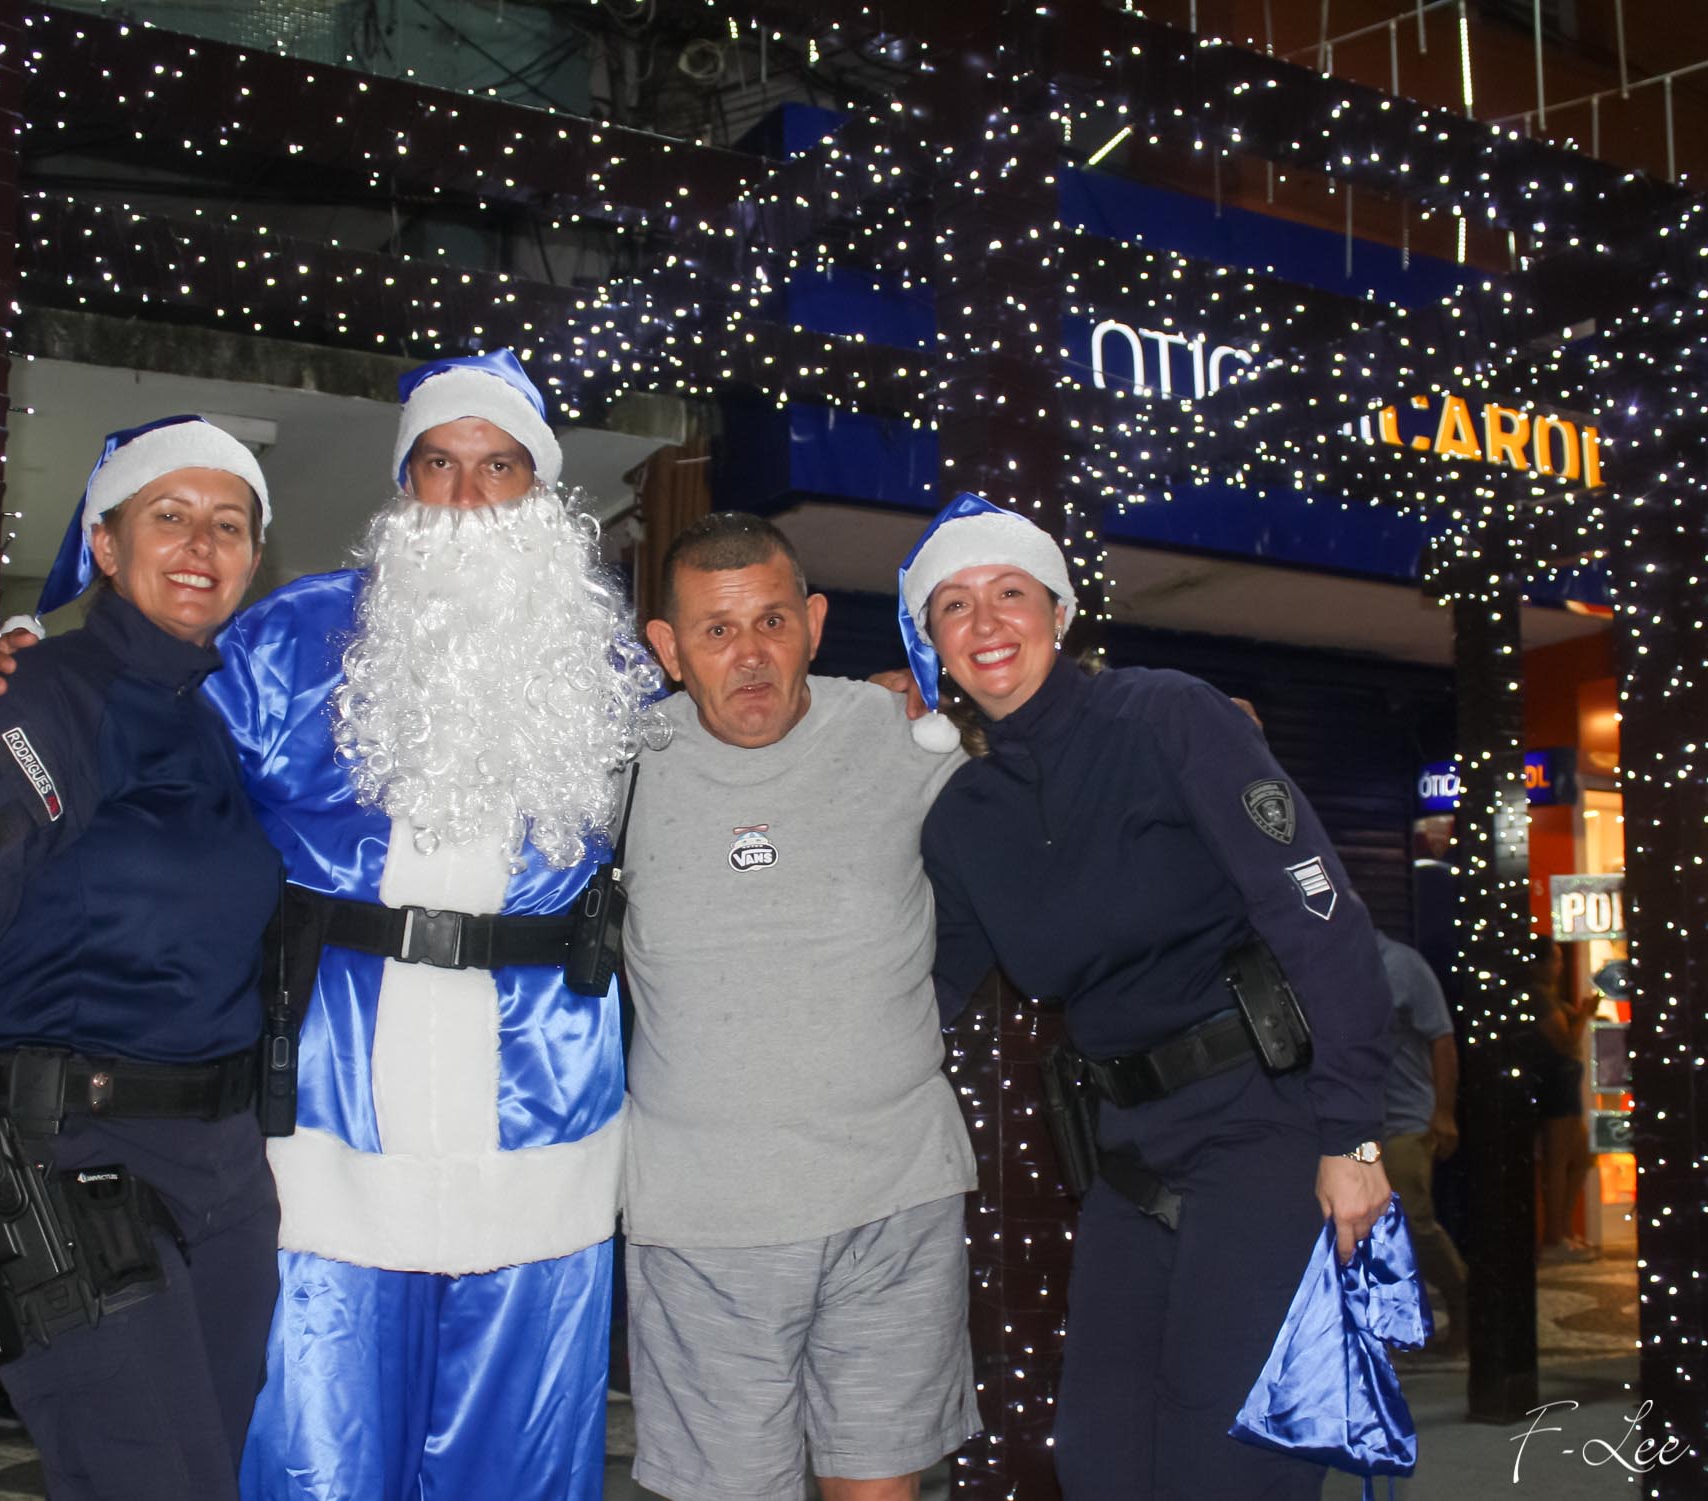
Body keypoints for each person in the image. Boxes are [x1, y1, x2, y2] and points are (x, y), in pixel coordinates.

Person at [0, 350, 661, 1501]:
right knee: (319, 1452)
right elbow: (125, 747)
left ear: (541, 488)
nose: (467, 494)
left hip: (545, 1118)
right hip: (333, 1113)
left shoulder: (613, 661)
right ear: (403, 482)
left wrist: (901, 711)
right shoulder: (285, 640)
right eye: (438, 464)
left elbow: (748, 752)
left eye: (498, 466)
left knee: (521, 1459)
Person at [898, 492, 1393, 1501]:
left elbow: (1318, 912)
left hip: (1260, 1119)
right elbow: (926, 992)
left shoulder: (1168, 716)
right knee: (1099, 1458)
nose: (985, 622)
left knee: (1231, 1462)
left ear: (1059, 611)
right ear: (932, 644)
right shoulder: (962, 819)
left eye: (1009, 593)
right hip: (1123, 1148)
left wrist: (1354, 1136)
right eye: (953, 605)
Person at [0, 416, 283, 1500]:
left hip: (224, 1176)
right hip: (70, 1160)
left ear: (253, 556)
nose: (200, 545)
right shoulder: (45, 696)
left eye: (228, 524)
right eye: (169, 516)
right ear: (105, 543)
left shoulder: (216, 720)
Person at [622, 513, 979, 1501]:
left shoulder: (899, 735)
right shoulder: (618, 767)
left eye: (772, 622)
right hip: (701, 1223)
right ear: (668, 648)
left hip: (893, 1203)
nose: (749, 656)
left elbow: (1045, 811)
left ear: (814, 624)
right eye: (717, 630)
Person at [1374, 930, 1467, 1352]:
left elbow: (1442, 1039)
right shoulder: (1326, 963)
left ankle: (1463, 1298)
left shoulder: (1402, 964)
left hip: (1405, 1118)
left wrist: (1444, 1111)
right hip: (1355, 1120)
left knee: (1411, 1219)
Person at [1530, 935, 1597, 1262]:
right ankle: (1554, 1237)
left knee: (1582, 1157)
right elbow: (1565, 1041)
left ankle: (1565, 1231)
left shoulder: (1549, 996)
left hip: (1566, 1085)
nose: (1560, 966)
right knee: (1557, 1163)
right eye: (1555, 959)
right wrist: (1584, 1016)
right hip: (1557, 1088)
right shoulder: (1539, 997)